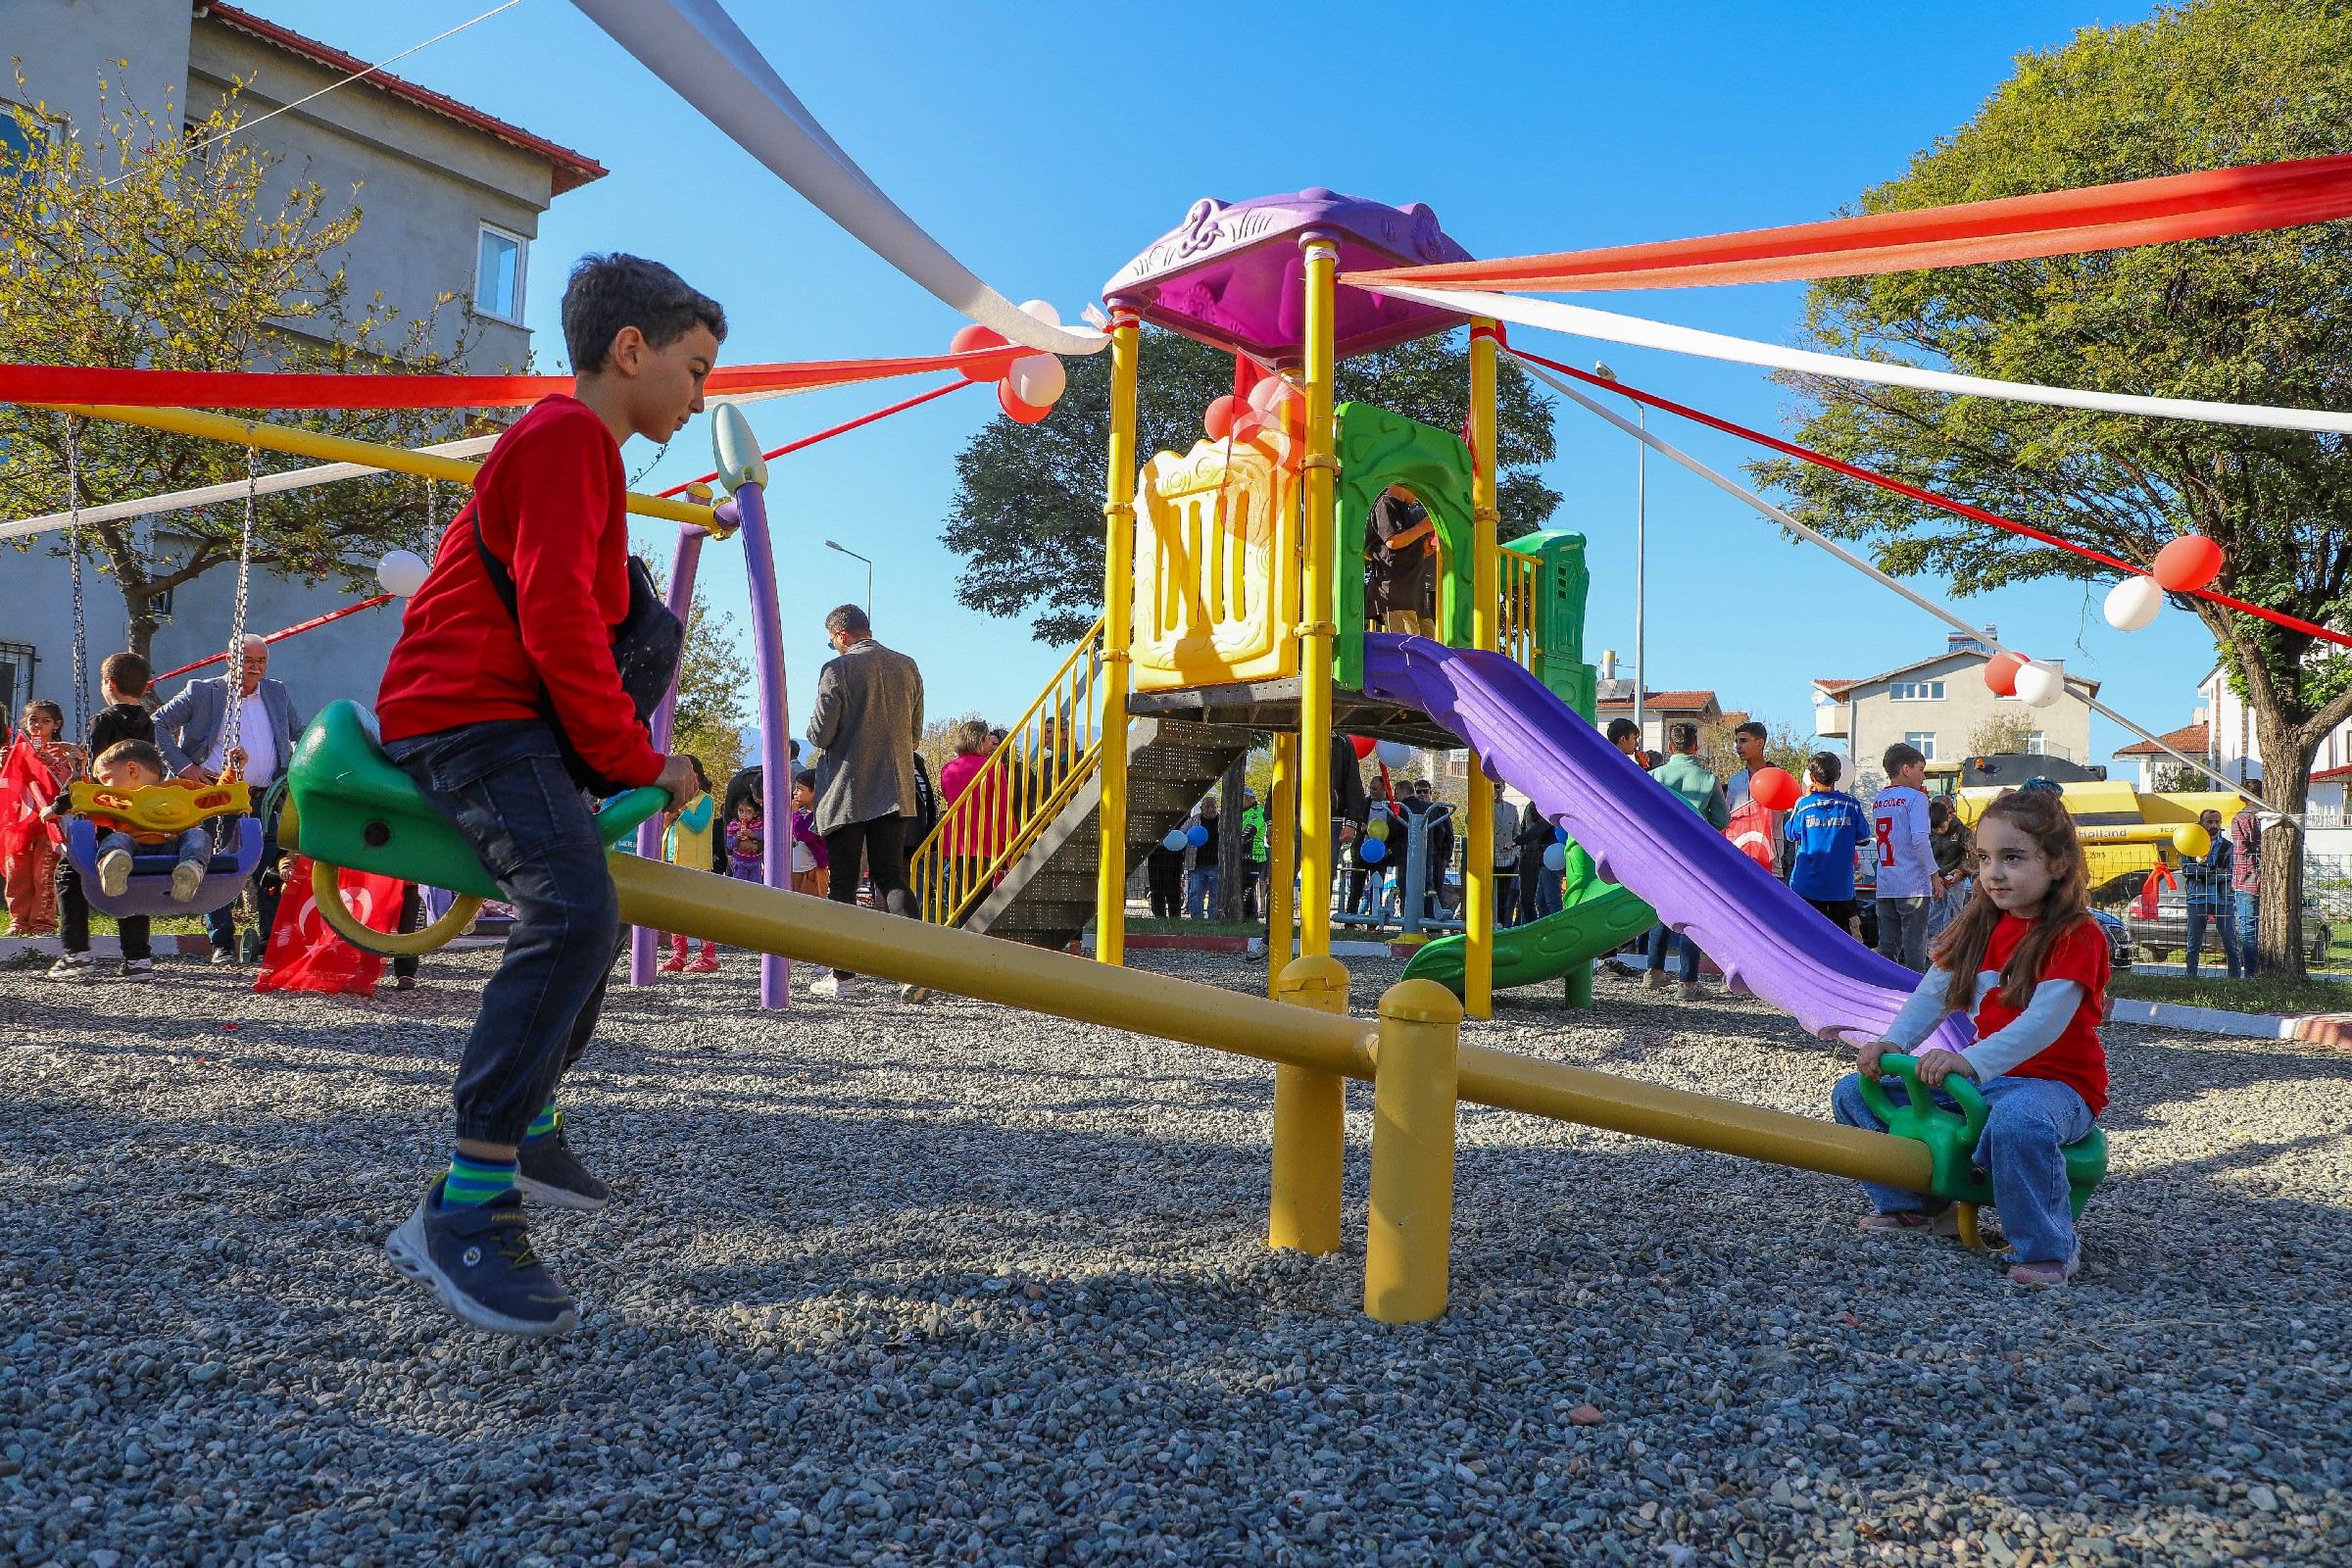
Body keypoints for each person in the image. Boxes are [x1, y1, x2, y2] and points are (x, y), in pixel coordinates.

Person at [370, 252, 719, 1336]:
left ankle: (530, 1121)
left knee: (589, 912)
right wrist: (632, 758)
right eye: (696, 368)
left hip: (499, 712)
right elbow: (560, 621)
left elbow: (596, 617)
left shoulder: (585, 458)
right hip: (465, 710)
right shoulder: (568, 436)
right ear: (631, 350)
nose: (702, 394)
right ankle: (465, 1206)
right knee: (573, 909)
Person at [1831, 787, 2110, 1289]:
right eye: (1984, 858)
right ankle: (1917, 1207)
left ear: (2058, 863)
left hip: (2057, 1085)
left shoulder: (2077, 935)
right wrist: (1892, 1043)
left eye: (2013, 858)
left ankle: (2049, 1248)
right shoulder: (1980, 925)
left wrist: (1970, 1063)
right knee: (1856, 1093)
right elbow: (1932, 993)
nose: (1994, 872)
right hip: (1989, 1080)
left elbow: (2043, 1024)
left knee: (2017, 1122)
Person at [154, 633, 307, 966]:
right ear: (229, 660)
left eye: (261, 661)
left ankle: (270, 943)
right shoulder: (202, 690)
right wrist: (184, 767)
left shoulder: (277, 692)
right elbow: (159, 723)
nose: (255, 667)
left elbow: (299, 732)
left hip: (262, 799)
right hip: (212, 795)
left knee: (268, 867)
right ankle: (222, 943)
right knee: (214, 866)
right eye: (248, 660)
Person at [805, 602, 924, 998]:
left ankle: (842, 978)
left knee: (842, 884)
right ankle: (916, 969)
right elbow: (914, 735)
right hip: (894, 790)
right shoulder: (907, 666)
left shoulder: (837, 669)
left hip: (847, 792)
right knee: (892, 877)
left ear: (840, 635)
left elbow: (820, 734)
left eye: (831, 641)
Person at [48, 653, 162, 983]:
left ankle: (76, 955)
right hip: (137, 814)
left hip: (105, 812)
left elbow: (97, 774)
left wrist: (59, 803)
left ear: (109, 684)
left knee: (69, 872)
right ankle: (138, 957)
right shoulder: (148, 723)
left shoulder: (103, 720)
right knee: (129, 875)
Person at [1645, 723, 1730, 997]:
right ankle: (1688, 983)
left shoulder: (1655, 775)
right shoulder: (1708, 779)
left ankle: (1654, 972)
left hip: (1660, 851)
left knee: (1661, 911)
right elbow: (1722, 820)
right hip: (1694, 853)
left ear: (1671, 748)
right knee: (1692, 917)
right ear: (1696, 746)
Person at [4, 699, 71, 936]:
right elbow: (7, 784)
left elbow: (69, 784)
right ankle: (19, 920)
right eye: (33, 720)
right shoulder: (17, 750)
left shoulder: (63, 751)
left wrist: (54, 764)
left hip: (49, 820)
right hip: (20, 822)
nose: (38, 726)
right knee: (17, 871)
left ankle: (43, 922)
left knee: (44, 871)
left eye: (45, 721)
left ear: (56, 724)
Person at [1787, 752, 1866, 939]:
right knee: (1842, 940)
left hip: (1806, 886)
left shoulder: (1804, 805)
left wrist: (1802, 799)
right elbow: (1863, 837)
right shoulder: (1852, 805)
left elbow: (1791, 834)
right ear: (1838, 776)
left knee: (1806, 938)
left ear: (1812, 777)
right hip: (1841, 888)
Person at [1871, 743, 1936, 971]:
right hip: (1912, 883)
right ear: (1906, 769)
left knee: (1887, 946)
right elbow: (1919, 839)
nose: (1924, 775)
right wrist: (1934, 874)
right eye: (1921, 769)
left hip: (1886, 879)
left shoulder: (1879, 798)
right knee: (1914, 945)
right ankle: (1914, 994)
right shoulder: (1915, 798)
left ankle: (1885, 991)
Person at [659, 756, 721, 974]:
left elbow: (699, 825)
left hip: (695, 864)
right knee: (676, 911)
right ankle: (679, 954)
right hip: (673, 860)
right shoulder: (674, 801)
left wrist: (682, 810)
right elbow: (666, 829)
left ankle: (708, 955)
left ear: (697, 775)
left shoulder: (704, 800)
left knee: (700, 910)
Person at [1365, 483, 1437, 635]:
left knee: (1428, 643)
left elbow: (1404, 550)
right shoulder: (1385, 503)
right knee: (1408, 645)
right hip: (1395, 594)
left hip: (1414, 596)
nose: (1418, 496)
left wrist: (1424, 549)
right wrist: (1422, 527)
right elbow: (1392, 541)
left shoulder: (1405, 510)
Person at [2180, 808, 2238, 980]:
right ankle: (2191, 977)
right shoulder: (2189, 843)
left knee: (2229, 940)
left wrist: (2205, 874)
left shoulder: (2228, 847)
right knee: (2194, 941)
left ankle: (2235, 977)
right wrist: (2213, 872)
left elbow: (2230, 873)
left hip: (2223, 899)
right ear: (2201, 824)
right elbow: (2187, 870)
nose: (2214, 825)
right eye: (2210, 822)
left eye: (2217, 822)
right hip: (2197, 898)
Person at [1925, 796, 1974, 945]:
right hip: (1934, 881)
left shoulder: (1962, 832)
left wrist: (1962, 870)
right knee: (1933, 916)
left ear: (1951, 814)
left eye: (1941, 827)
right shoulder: (1929, 830)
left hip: (1954, 881)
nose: (1938, 831)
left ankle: (1950, 948)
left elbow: (1976, 856)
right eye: (1935, 828)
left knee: (1953, 917)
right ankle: (1930, 948)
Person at [2229, 800, 2262, 977]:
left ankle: (2251, 973)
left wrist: (2240, 879)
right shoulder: (2270, 816)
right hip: (2270, 881)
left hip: (2247, 880)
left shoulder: (2241, 818)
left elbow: (2241, 852)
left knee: (2248, 928)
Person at [788, 769, 829, 898]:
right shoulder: (801, 813)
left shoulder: (818, 816)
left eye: (799, 789)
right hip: (795, 870)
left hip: (812, 872)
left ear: (814, 792)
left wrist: (795, 815)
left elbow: (802, 834)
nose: (795, 792)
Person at [1490, 780, 1519, 927]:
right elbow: (1469, 820)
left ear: (1503, 788)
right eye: (1492, 786)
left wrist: (1515, 850)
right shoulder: (1484, 806)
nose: (1495, 790)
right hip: (1490, 859)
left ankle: (1503, 925)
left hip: (1508, 859)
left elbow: (1517, 833)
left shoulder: (1512, 809)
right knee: (1490, 895)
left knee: (1505, 896)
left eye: (1497, 786)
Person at [1186, 796, 1222, 919]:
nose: (1210, 809)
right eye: (1207, 806)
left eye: (1213, 806)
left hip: (1217, 865)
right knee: (1195, 893)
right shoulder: (1193, 821)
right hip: (1197, 865)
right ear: (1201, 808)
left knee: (1216, 894)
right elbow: (1182, 833)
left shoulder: (1223, 821)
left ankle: (1214, 918)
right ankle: (1196, 918)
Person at [1240, 788, 1269, 921]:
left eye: (1246, 798)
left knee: (1247, 889)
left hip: (1255, 857)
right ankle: (1246, 917)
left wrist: (1236, 841)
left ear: (1250, 799)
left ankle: (1251, 918)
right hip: (1240, 857)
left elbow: (1249, 832)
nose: (1243, 801)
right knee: (1242, 888)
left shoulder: (1258, 812)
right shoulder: (1239, 812)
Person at [1145, 829, 1185, 919]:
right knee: (1156, 886)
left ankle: (1175, 915)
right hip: (1155, 852)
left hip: (1174, 853)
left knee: (1173, 887)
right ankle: (1159, 915)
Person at [727, 794, 765, 882]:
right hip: (740, 862)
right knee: (741, 886)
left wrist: (754, 834)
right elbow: (730, 844)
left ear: (755, 813)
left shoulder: (758, 823)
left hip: (756, 862)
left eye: (749, 812)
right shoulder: (733, 825)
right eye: (741, 811)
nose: (744, 815)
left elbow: (765, 836)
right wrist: (737, 837)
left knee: (755, 886)